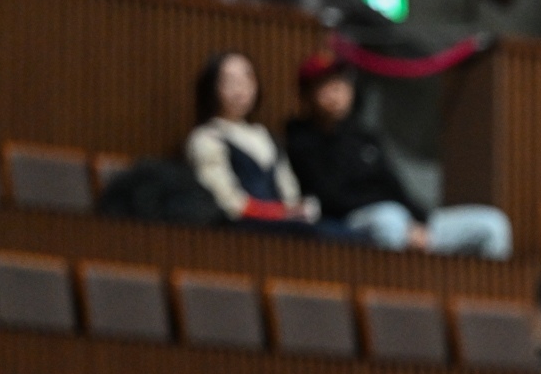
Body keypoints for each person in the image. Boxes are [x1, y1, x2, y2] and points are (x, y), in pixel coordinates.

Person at [285, 54, 512, 258]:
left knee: (492, 223)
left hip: (402, 218)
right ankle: (396, 291)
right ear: (307, 95)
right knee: (389, 219)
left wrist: (419, 222)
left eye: (340, 83)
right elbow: (329, 197)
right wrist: (402, 220)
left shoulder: (365, 137)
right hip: (352, 220)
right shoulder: (301, 140)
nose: (336, 92)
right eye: (325, 85)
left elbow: (393, 185)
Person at [186, 51, 320, 228]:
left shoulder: (266, 135)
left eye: (247, 80)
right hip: (236, 230)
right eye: (230, 82)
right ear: (212, 88)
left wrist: (297, 210)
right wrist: (280, 213)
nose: (240, 89)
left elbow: (289, 193)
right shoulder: (207, 137)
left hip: (282, 228)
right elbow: (228, 203)